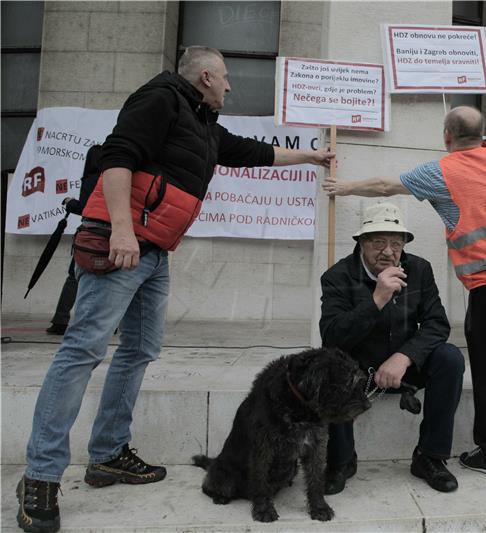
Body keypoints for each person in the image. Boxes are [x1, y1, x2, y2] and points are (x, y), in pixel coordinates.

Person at [16, 46, 334, 533]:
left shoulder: (202, 122)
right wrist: (121, 229)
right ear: (205, 76)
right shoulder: (161, 98)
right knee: (82, 350)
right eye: (225, 78)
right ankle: (40, 476)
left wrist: (311, 156)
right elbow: (117, 159)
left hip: (154, 252)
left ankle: (108, 455)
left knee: (140, 349)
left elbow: (254, 152)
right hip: (122, 244)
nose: (230, 86)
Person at [323, 106, 486, 479]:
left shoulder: (441, 170)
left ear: (446, 137)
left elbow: (387, 187)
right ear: (483, 135)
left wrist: (345, 187)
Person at [320, 202, 464, 494]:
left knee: (450, 358)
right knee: (329, 362)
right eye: (378, 242)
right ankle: (341, 460)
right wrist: (377, 299)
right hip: (359, 372)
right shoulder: (338, 276)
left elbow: (437, 324)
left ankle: (429, 457)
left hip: (404, 369)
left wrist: (405, 356)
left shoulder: (419, 270)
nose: (388, 252)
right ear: (361, 242)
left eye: (396, 244)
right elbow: (332, 335)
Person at [46, 145, 102, 335]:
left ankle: (61, 321)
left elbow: (86, 209)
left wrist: (70, 203)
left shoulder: (89, 180)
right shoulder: (110, 179)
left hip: (89, 234)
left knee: (74, 277)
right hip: (111, 233)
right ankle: (108, 323)